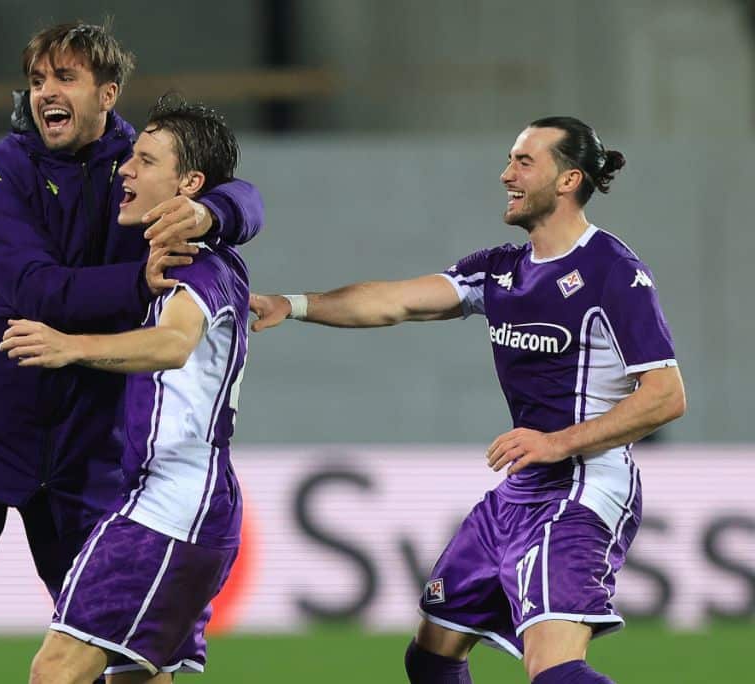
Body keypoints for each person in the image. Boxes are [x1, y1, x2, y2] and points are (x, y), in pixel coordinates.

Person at [249, 117, 686, 684]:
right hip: (520, 490)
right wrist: (295, 304)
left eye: (524, 162)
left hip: (583, 488)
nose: (506, 174)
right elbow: (394, 301)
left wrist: (557, 443)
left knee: (554, 671)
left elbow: (666, 396)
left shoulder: (612, 271)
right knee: (431, 657)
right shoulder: (501, 269)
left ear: (568, 179)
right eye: (510, 159)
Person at [0, 22, 263, 684]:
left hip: (86, 443)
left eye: (65, 77)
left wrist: (211, 214)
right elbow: (32, 289)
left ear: (108, 93)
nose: (46, 92)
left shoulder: (134, 163)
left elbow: (244, 196)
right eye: (37, 80)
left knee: (112, 649)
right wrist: (138, 282)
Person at [0, 94, 249, 684]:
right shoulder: (183, 260)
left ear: (189, 185)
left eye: (145, 161)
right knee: (137, 677)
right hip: (182, 504)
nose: (125, 171)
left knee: (55, 672)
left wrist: (70, 345)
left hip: (171, 508)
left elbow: (174, 343)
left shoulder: (197, 264)